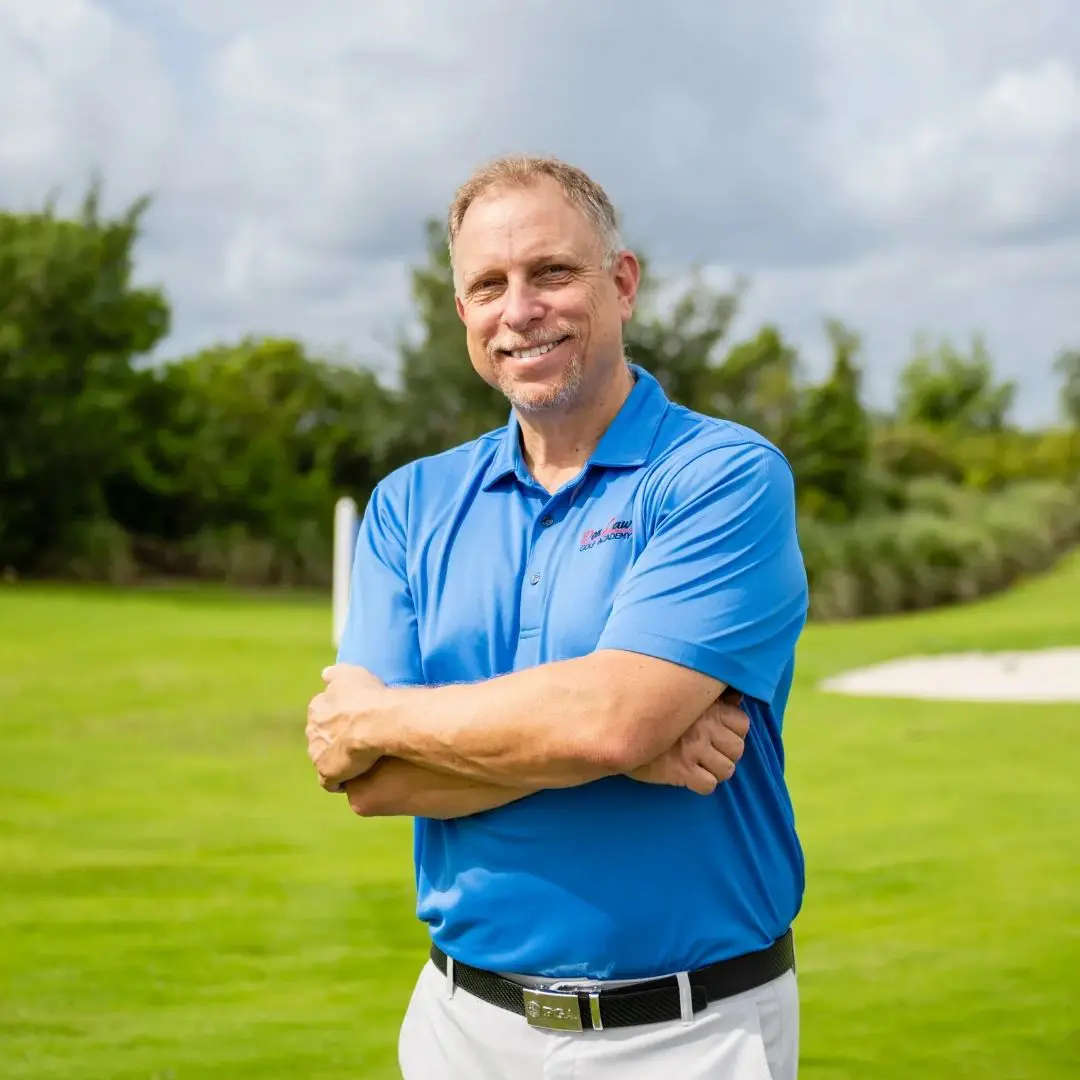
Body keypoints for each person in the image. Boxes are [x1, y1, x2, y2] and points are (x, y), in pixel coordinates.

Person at [305, 154, 810, 1079]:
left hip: (690, 1034)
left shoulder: (722, 477)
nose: (519, 309)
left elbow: (605, 720)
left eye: (552, 273)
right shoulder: (409, 504)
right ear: (463, 314)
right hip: (460, 1027)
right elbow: (371, 779)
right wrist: (615, 747)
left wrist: (387, 716)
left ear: (621, 284)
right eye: (488, 285)